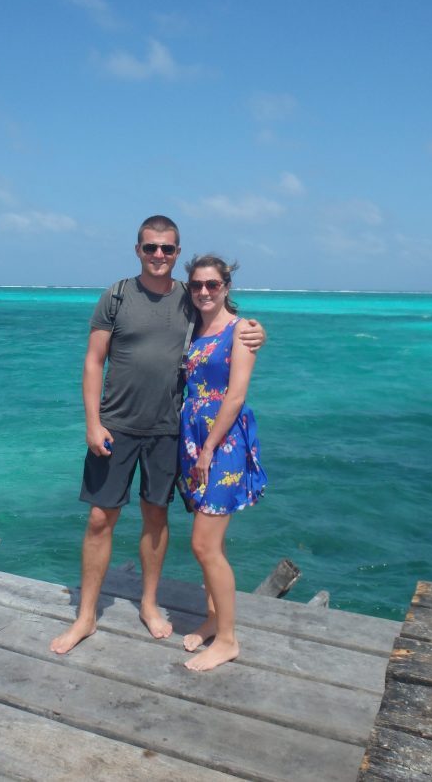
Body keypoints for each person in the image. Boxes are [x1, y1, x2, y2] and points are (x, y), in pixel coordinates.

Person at [50, 216, 265, 654]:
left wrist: (257, 330)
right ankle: (86, 616)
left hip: (170, 430)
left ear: (177, 252)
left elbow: (227, 323)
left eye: (168, 249)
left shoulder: (191, 298)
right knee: (98, 519)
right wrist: (92, 422)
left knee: (155, 516)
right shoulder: (117, 294)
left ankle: (149, 604)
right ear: (138, 250)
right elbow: (94, 361)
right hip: (117, 424)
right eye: (151, 248)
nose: (159, 255)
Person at [178, 255, 267, 671]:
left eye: (212, 285)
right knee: (209, 544)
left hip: (223, 443)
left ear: (226, 286)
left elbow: (235, 396)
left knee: (204, 543)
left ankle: (228, 639)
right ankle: (214, 618)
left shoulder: (242, 330)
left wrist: (210, 448)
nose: (204, 292)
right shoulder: (193, 327)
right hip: (195, 441)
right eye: (197, 285)